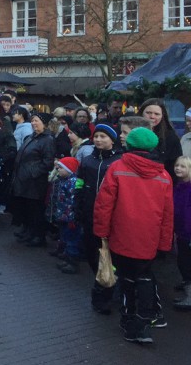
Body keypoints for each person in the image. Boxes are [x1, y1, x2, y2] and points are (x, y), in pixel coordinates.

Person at [93, 127, 174, 344]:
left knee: (127, 278)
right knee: (145, 276)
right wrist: (164, 243)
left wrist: (101, 232)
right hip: (150, 237)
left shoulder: (117, 168)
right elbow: (168, 213)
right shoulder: (164, 175)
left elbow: (104, 204)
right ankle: (144, 320)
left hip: (122, 234)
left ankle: (129, 320)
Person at [73, 123, 123, 314]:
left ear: (112, 139)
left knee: (109, 258)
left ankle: (106, 293)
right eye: (97, 136)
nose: (99, 140)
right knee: (92, 256)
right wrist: (77, 205)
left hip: (109, 219)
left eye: (104, 136)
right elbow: (79, 183)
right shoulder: (87, 161)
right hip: (89, 215)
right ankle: (102, 283)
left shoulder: (118, 162)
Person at [12, 111, 56, 247]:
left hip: (35, 181)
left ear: (44, 124)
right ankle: (28, 231)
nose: (33, 123)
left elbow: (48, 161)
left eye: (36, 121)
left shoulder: (47, 140)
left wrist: (33, 172)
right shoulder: (31, 137)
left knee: (36, 210)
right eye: (32, 120)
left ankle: (38, 236)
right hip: (24, 179)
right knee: (27, 208)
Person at [48, 156, 83, 273]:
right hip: (63, 215)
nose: (58, 170)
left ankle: (73, 262)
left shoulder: (72, 183)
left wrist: (72, 216)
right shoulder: (62, 180)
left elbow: (73, 202)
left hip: (70, 218)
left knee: (72, 240)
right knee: (65, 237)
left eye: (61, 168)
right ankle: (67, 257)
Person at [139, 97, 182, 178]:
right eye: (148, 113)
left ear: (162, 116)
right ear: (141, 113)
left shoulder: (170, 137)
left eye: (157, 114)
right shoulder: (130, 132)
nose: (152, 116)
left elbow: (175, 165)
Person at [173, 156, 191, 311]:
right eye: (177, 165)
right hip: (180, 232)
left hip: (188, 233)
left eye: (183, 167)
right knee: (182, 261)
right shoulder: (179, 186)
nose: (178, 168)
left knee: (186, 263)